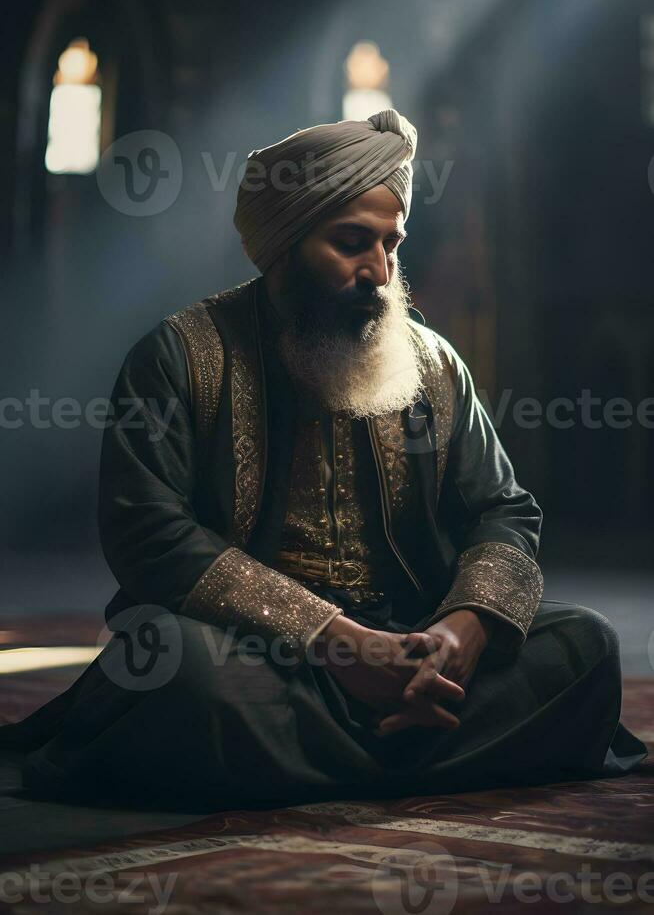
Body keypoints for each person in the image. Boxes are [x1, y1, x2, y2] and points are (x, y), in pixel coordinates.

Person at [0, 109, 646, 810]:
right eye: (351, 244)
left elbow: (503, 510)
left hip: (412, 644)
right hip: (258, 657)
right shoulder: (180, 357)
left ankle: (332, 749)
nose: (380, 272)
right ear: (284, 247)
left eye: (392, 245)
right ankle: (418, 747)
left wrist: (461, 631)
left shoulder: (431, 364)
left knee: (585, 647)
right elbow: (147, 534)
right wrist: (337, 646)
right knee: (177, 671)